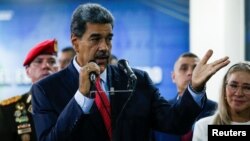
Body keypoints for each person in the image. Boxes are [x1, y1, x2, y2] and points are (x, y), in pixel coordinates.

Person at [31, 3, 230, 141]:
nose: (104, 47)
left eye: (108, 38)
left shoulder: (137, 80)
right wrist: (82, 97)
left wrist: (194, 88)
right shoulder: (46, 89)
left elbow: (175, 123)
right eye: (95, 39)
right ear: (75, 41)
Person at [0, 39, 58, 141]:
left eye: (52, 61)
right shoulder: (7, 110)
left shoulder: (71, 103)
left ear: (59, 69)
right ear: (27, 71)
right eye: (39, 61)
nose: (46, 66)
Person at [153, 52, 218, 141]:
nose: (190, 73)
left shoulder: (218, 110)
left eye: (195, 68)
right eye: (184, 68)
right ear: (173, 77)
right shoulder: (161, 111)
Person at [192, 62, 250, 141]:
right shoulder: (203, 126)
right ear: (224, 89)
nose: (239, 93)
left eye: (247, 88)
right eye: (233, 86)